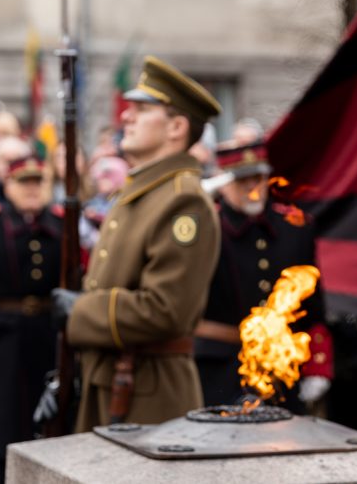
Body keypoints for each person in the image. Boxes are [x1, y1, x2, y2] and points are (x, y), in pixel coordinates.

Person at [53, 56, 222, 432]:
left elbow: (165, 310)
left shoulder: (183, 201)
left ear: (177, 126)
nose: (126, 117)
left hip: (148, 395)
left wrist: (81, 312)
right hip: (109, 381)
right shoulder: (141, 191)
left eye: (142, 110)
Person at [194, 140, 332, 412]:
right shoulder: (207, 229)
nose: (252, 188)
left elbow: (313, 308)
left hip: (282, 366)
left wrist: (318, 363)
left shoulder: (296, 227)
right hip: (218, 368)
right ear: (223, 183)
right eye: (242, 180)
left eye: (258, 178)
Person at [0, 156, 62, 481]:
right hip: (5, 333)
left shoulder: (64, 222)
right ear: (8, 185)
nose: (33, 189)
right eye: (25, 182)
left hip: (51, 332)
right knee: (6, 415)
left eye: (39, 182)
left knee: (51, 412)